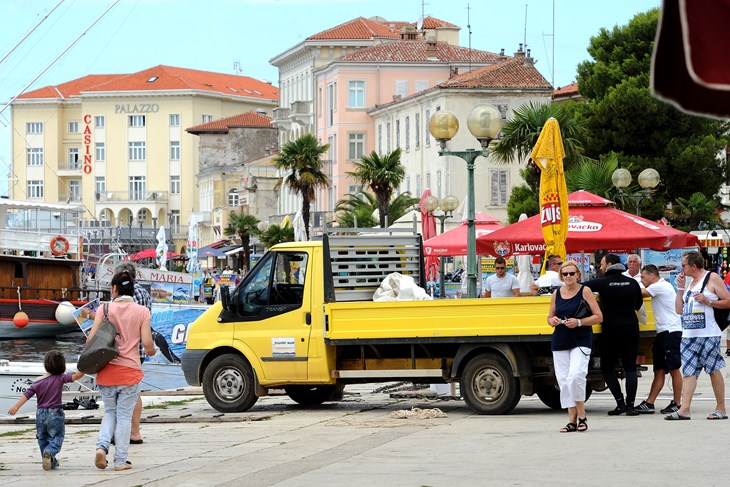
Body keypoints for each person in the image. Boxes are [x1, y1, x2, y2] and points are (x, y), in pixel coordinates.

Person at [90, 270, 155, 471]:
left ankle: (102, 447)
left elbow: (90, 340)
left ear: (115, 288)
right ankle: (119, 461)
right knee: (124, 416)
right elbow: (147, 343)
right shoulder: (142, 312)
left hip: (106, 371)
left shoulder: (105, 309)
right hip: (130, 372)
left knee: (109, 412)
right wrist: (152, 350)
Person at [666, 250, 730, 420]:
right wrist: (680, 289)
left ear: (693, 265)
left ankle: (721, 408)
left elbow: (728, 301)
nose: (682, 268)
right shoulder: (690, 283)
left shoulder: (712, 278)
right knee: (688, 372)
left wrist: (708, 301)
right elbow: (679, 310)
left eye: (683, 265)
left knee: (713, 369)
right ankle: (684, 409)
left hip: (708, 334)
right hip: (688, 335)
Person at [584, 253, 644, 416]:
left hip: (611, 329)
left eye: (602, 264)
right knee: (630, 367)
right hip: (631, 328)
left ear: (608, 265)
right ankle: (631, 406)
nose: (601, 267)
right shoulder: (632, 283)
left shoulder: (602, 283)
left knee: (607, 367)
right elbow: (638, 304)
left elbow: (581, 287)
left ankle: (620, 403)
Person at [547, 261, 602, 432]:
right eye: (565, 274)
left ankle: (582, 414)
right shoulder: (557, 293)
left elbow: (599, 316)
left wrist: (579, 322)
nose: (569, 276)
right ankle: (572, 419)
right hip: (560, 340)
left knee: (575, 376)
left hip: (581, 340)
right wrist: (553, 320)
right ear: (561, 276)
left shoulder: (584, 290)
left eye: (572, 273)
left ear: (578, 274)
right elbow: (549, 317)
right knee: (563, 381)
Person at [7, 350, 85, 470]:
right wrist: (87, 364)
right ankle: (49, 451)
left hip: (40, 414)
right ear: (62, 365)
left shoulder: (38, 380)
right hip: (55, 413)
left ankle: (50, 460)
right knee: (57, 436)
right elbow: (77, 376)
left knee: (42, 437)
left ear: (46, 365)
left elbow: (27, 394)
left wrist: (16, 406)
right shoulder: (60, 378)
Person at [633, 264, 683, 414]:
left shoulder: (660, 286)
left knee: (674, 369)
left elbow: (639, 293)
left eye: (643, 277)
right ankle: (650, 402)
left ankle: (677, 403)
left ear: (652, 275)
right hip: (662, 332)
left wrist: (623, 286)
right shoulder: (658, 286)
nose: (641, 280)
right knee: (659, 370)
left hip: (671, 332)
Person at [623, 254, 648, 324]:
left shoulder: (645, 276)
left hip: (645, 309)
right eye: (630, 262)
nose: (632, 264)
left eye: (634, 262)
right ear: (627, 264)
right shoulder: (622, 276)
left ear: (639, 264)